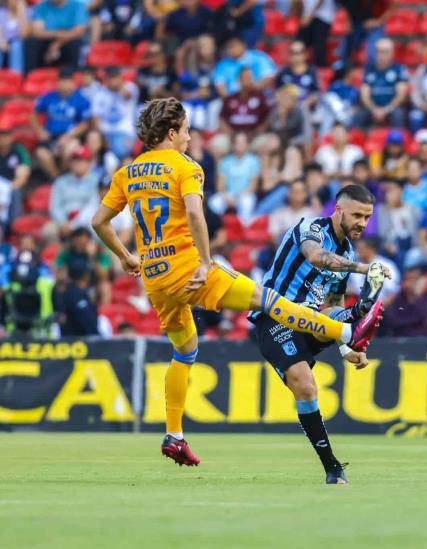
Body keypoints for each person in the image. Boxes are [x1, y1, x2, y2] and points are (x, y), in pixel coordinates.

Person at [91, 98, 383, 467]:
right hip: (189, 269)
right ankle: (346, 334)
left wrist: (125, 256)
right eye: (185, 130)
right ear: (171, 132)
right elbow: (195, 212)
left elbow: (99, 222)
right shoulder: (186, 166)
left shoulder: (127, 172)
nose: (189, 136)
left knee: (185, 352)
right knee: (269, 301)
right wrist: (205, 261)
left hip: (154, 278)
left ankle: (174, 434)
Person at [248, 185, 389, 484]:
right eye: (357, 215)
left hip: (310, 321)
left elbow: (333, 304)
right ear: (337, 210)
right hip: (276, 316)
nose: (362, 223)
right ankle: (332, 467)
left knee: (347, 311)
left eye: (367, 217)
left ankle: (361, 315)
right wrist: (365, 269)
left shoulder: (347, 251)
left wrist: (344, 348)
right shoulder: (310, 228)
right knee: (306, 386)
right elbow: (314, 257)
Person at [30, 66, 91, 179]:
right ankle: (57, 179)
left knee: (70, 148)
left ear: (73, 83)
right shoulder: (49, 96)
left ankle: (66, 176)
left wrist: (69, 135)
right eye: (62, 81)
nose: (65, 84)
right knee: (41, 153)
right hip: (50, 137)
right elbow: (33, 115)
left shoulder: (81, 99)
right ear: (57, 82)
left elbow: (85, 124)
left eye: (68, 81)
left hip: (69, 136)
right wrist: (40, 131)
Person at [353, 38, 409, 129]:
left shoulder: (399, 69)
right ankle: (356, 140)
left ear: (392, 53)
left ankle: (398, 141)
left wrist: (386, 110)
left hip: (391, 108)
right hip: (372, 108)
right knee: (359, 114)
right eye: (380, 52)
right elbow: (364, 94)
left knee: (398, 114)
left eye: (386, 52)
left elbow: (401, 95)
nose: (383, 55)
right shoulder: (369, 69)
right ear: (375, 53)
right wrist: (374, 109)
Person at [48, 146, 100, 237]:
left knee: (98, 228)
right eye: (74, 160)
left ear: (89, 163)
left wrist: (76, 224)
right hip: (64, 222)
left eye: (81, 160)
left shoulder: (96, 181)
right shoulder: (61, 182)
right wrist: (63, 222)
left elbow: (94, 205)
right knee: (48, 231)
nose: (77, 163)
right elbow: (54, 207)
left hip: (87, 220)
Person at [208, 132, 259, 223]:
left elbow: (253, 186)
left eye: (243, 143)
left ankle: (243, 230)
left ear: (247, 145)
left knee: (246, 203)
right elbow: (220, 185)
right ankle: (217, 228)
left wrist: (238, 198)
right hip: (228, 194)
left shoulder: (253, 161)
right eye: (237, 142)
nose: (240, 145)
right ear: (233, 144)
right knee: (213, 203)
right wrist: (226, 196)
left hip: (245, 194)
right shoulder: (225, 161)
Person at [91, 67, 140, 161]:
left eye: (115, 77)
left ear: (120, 77)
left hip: (124, 132)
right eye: (110, 77)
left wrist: (118, 86)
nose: (113, 80)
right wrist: (103, 135)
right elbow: (95, 118)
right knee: (93, 137)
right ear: (105, 79)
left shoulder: (131, 87)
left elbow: (128, 95)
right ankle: (92, 168)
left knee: (119, 151)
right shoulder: (99, 93)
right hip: (105, 133)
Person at [24, 0, 88, 71]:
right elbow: (37, 32)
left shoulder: (78, 6)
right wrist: (58, 33)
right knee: (31, 42)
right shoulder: (41, 7)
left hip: (67, 41)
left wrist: (57, 44)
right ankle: (30, 75)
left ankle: (72, 75)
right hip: (47, 41)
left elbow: (78, 32)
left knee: (76, 43)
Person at [377, 179, 420, 269]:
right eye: (388, 192)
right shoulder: (381, 210)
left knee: (405, 254)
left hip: (408, 245)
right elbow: (381, 233)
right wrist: (388, 210)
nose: (389, 194)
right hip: (388, 246)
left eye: (392, 191)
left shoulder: (413, 210)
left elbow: (416, 234)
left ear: (401, 192)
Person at [381, 265, 427, 336]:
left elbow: (425, 320)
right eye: (409, 279)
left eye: (415, 279)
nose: (411, 282)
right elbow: (391, 320)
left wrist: (417, 296)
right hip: (398, 338)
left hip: (420, 339)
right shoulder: (399, 297)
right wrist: (413, 321)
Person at [55, 253, 99, 336]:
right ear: (85, 275)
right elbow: (87, 321)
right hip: (80, 342)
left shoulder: (67, 291)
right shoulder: (75, 294)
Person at [219, 67, 270, 137]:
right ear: (239, 80)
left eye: (250, 78)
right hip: (232, 137)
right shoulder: (230, 99)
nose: (249, 80)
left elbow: (267, 119)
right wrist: (232, 135)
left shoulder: (260, 98)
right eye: (246, 77)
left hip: (255, 136)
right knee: (216, 144)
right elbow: (222, 119)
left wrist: (255, 133)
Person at [349, 236, 400, 306]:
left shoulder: (388, 266)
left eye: (360, 249)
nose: (356, 252)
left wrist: (375, 310)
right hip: (357, 307)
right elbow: (352, 289)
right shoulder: (356, 265)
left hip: (381, 308)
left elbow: (392, 294)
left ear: (370, 249)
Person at [0, 123, 30, 222]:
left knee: (15, 192)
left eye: (6, 135)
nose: (3, 139)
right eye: (1, 136)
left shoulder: (18, 150)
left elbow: (22, 176)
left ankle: (15, 225)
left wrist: (5, 190)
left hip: (11, 185)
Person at [297, 0, 335, 67]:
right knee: (299, 44)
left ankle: (320, 72)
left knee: (319, 49)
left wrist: (310, 15)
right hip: (307, 16)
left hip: (322, 17)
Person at [0, 0, 29, 73]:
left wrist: (21, 14)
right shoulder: (1, 12)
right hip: (4, 41)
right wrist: (1, 41)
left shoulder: (28, 12)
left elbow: (24, 34)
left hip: (19, 42)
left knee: (16, 46)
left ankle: (16, 75)